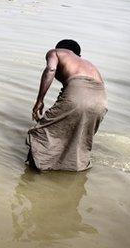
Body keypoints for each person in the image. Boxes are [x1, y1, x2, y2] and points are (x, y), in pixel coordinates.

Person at [28, 40, 107, 172]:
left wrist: (40, 100)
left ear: (59, 48)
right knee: (79, 137)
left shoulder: (56, 53)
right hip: (101, 101)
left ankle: (36, 170)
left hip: (78, 92)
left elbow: (51, 69)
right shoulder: (88, 64)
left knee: (42, 131)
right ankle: (70, 171)